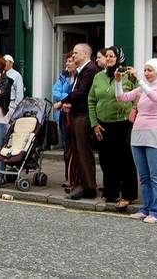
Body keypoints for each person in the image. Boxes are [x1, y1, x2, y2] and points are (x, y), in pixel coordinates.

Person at [115, 59, 157, 224]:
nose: (147, 73)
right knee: (144, 177)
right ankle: (146, 209)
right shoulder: (143, 89)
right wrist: (118, 81)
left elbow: (155, 97)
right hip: (138, 135)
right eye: (145, 70)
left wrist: (140, 81)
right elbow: (121, 97)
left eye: (150, 70)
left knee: (156, 177)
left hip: (155, 137)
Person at [88, 46, 137, 209]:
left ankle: (128, 194)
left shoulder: (129, 75)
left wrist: (135, 110)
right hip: (103, 124)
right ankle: (111, 192)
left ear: (119, 58)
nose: (108, 58)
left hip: (124, 124)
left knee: (125, 160)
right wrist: (94, 123)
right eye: (106, 56)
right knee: (106, 160)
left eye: (112, 56)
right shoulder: (98, 77)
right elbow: (92, 100)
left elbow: (140, 94)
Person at [60, 43, 100, 199]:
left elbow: (81, 92)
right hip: (77, 114)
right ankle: (81, 185)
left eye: (76, 53)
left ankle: (89, 188)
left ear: (85, 54)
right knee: (77, 152)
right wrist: (70, 104)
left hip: (84, 117)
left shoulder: (90, 70)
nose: (73, 55)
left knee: (83, 153)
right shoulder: (80, 71)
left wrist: (63, 101)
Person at [53, 53, 76, 186]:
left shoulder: (79, 77)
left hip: (76, 115)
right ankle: (68, 177)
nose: (67, 64)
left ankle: (76, 177)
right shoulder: (63, 77)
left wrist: (64, 99)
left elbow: (79, 93)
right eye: (66, 61)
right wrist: (67, 97)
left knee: (76, 146)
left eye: (70, 61)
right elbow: (55, 92)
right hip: (64, 115)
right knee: (67, 146)